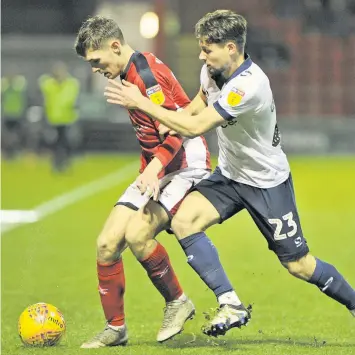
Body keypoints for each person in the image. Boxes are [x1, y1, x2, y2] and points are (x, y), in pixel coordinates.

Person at [104, 9, 355, 338]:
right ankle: (230, 302)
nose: (201, 55)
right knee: (184, 221)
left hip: (266, 183)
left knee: (298, 265)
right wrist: (171, 117)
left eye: (207, 48)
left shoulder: (249, 87)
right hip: (230, 175)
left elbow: (196, 126)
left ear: (231, 48)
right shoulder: (212, 70)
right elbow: (197, 104)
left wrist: (144, 103)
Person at [75, 16, 251, 347]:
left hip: (185, 162)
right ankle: (116, 328)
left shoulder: (146, 76)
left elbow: (179, 131)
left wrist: (154, 168)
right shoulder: (129, 72)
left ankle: (178, 302)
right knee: (107, 243)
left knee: (138, 234)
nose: (95, 69)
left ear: (115, 46)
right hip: (157, 165)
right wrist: (152, 167)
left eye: (96, 61)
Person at [38, 62, 80, 171]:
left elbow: (72, 99)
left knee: (66, 143)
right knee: (54, 144)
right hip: (53, 119)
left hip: (67, 119)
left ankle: (65, 162)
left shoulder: (71, 84)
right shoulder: (49, 84)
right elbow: (42, 83)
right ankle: (57, 164)